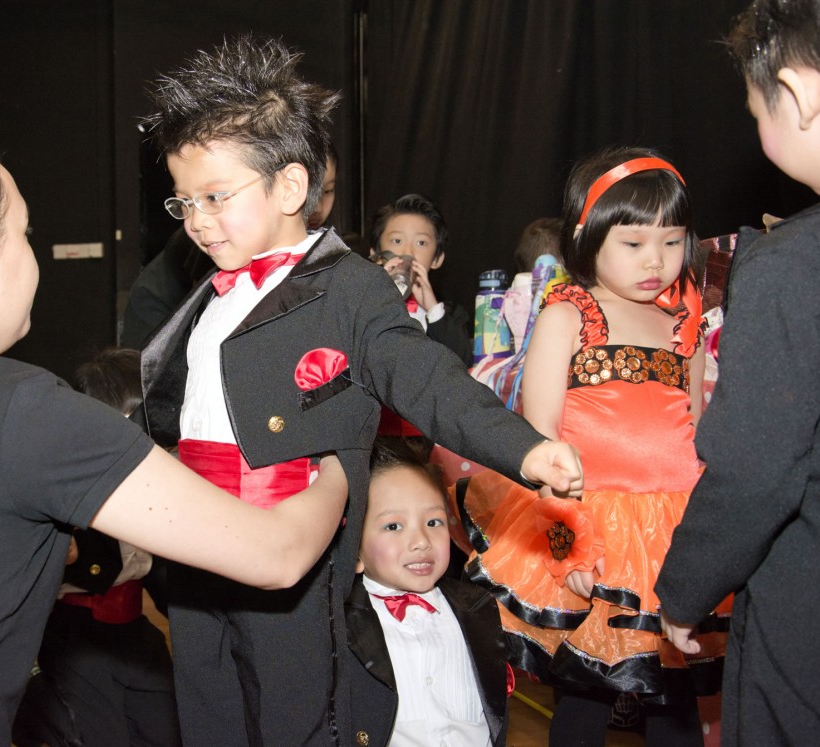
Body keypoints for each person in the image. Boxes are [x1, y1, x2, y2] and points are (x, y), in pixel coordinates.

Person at [0, 120, 351, 746]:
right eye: (24, 234)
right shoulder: (23, 412)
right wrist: (344, 456)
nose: (31, 256)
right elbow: (276, 555)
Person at [139, 34, 583, 746]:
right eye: (183, 201)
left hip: (288, 545)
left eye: (215, 196)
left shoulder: (350, 286)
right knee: (208, 705)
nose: (196, 219)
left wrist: (523, 447)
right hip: (196, 540)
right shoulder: (211, 290)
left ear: (290, 187)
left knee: (294, 714)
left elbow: (422, 374)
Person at [464, 146, 728, 746]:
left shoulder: (683, 324)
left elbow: (693, 433)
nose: (655, 260)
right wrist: (571, 547)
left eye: (671, 241)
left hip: (670, 533)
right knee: (585, 697)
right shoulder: (569, 314)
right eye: (634, 243)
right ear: (587, 237)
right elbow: (539, 443)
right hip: (590, 527)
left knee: (674, 698)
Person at [656, 2, 820, 743]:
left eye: (756, 111)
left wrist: (686, 587)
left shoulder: (791, 266)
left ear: (796, 93)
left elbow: (756, 467)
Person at [18, 347, 181, 747]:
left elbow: (162, 574)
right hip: (76, 636)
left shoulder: (159, 482)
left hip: (133, 631)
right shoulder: (65, 483)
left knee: (169, 731)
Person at [346, 439, 511, 747]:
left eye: (433, 522)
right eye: (393, 526)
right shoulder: (337, 624)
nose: (422, 540)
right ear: (354, 549)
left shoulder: (480, 608)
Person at [369, 193, 472, 363]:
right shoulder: (361, 305)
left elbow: (462, 363)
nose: (408, 252)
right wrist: (380, 296)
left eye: (421, 243)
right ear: (376, 254)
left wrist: (433, 309)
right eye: (397, 241)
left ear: (437, 259)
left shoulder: (450, 316)